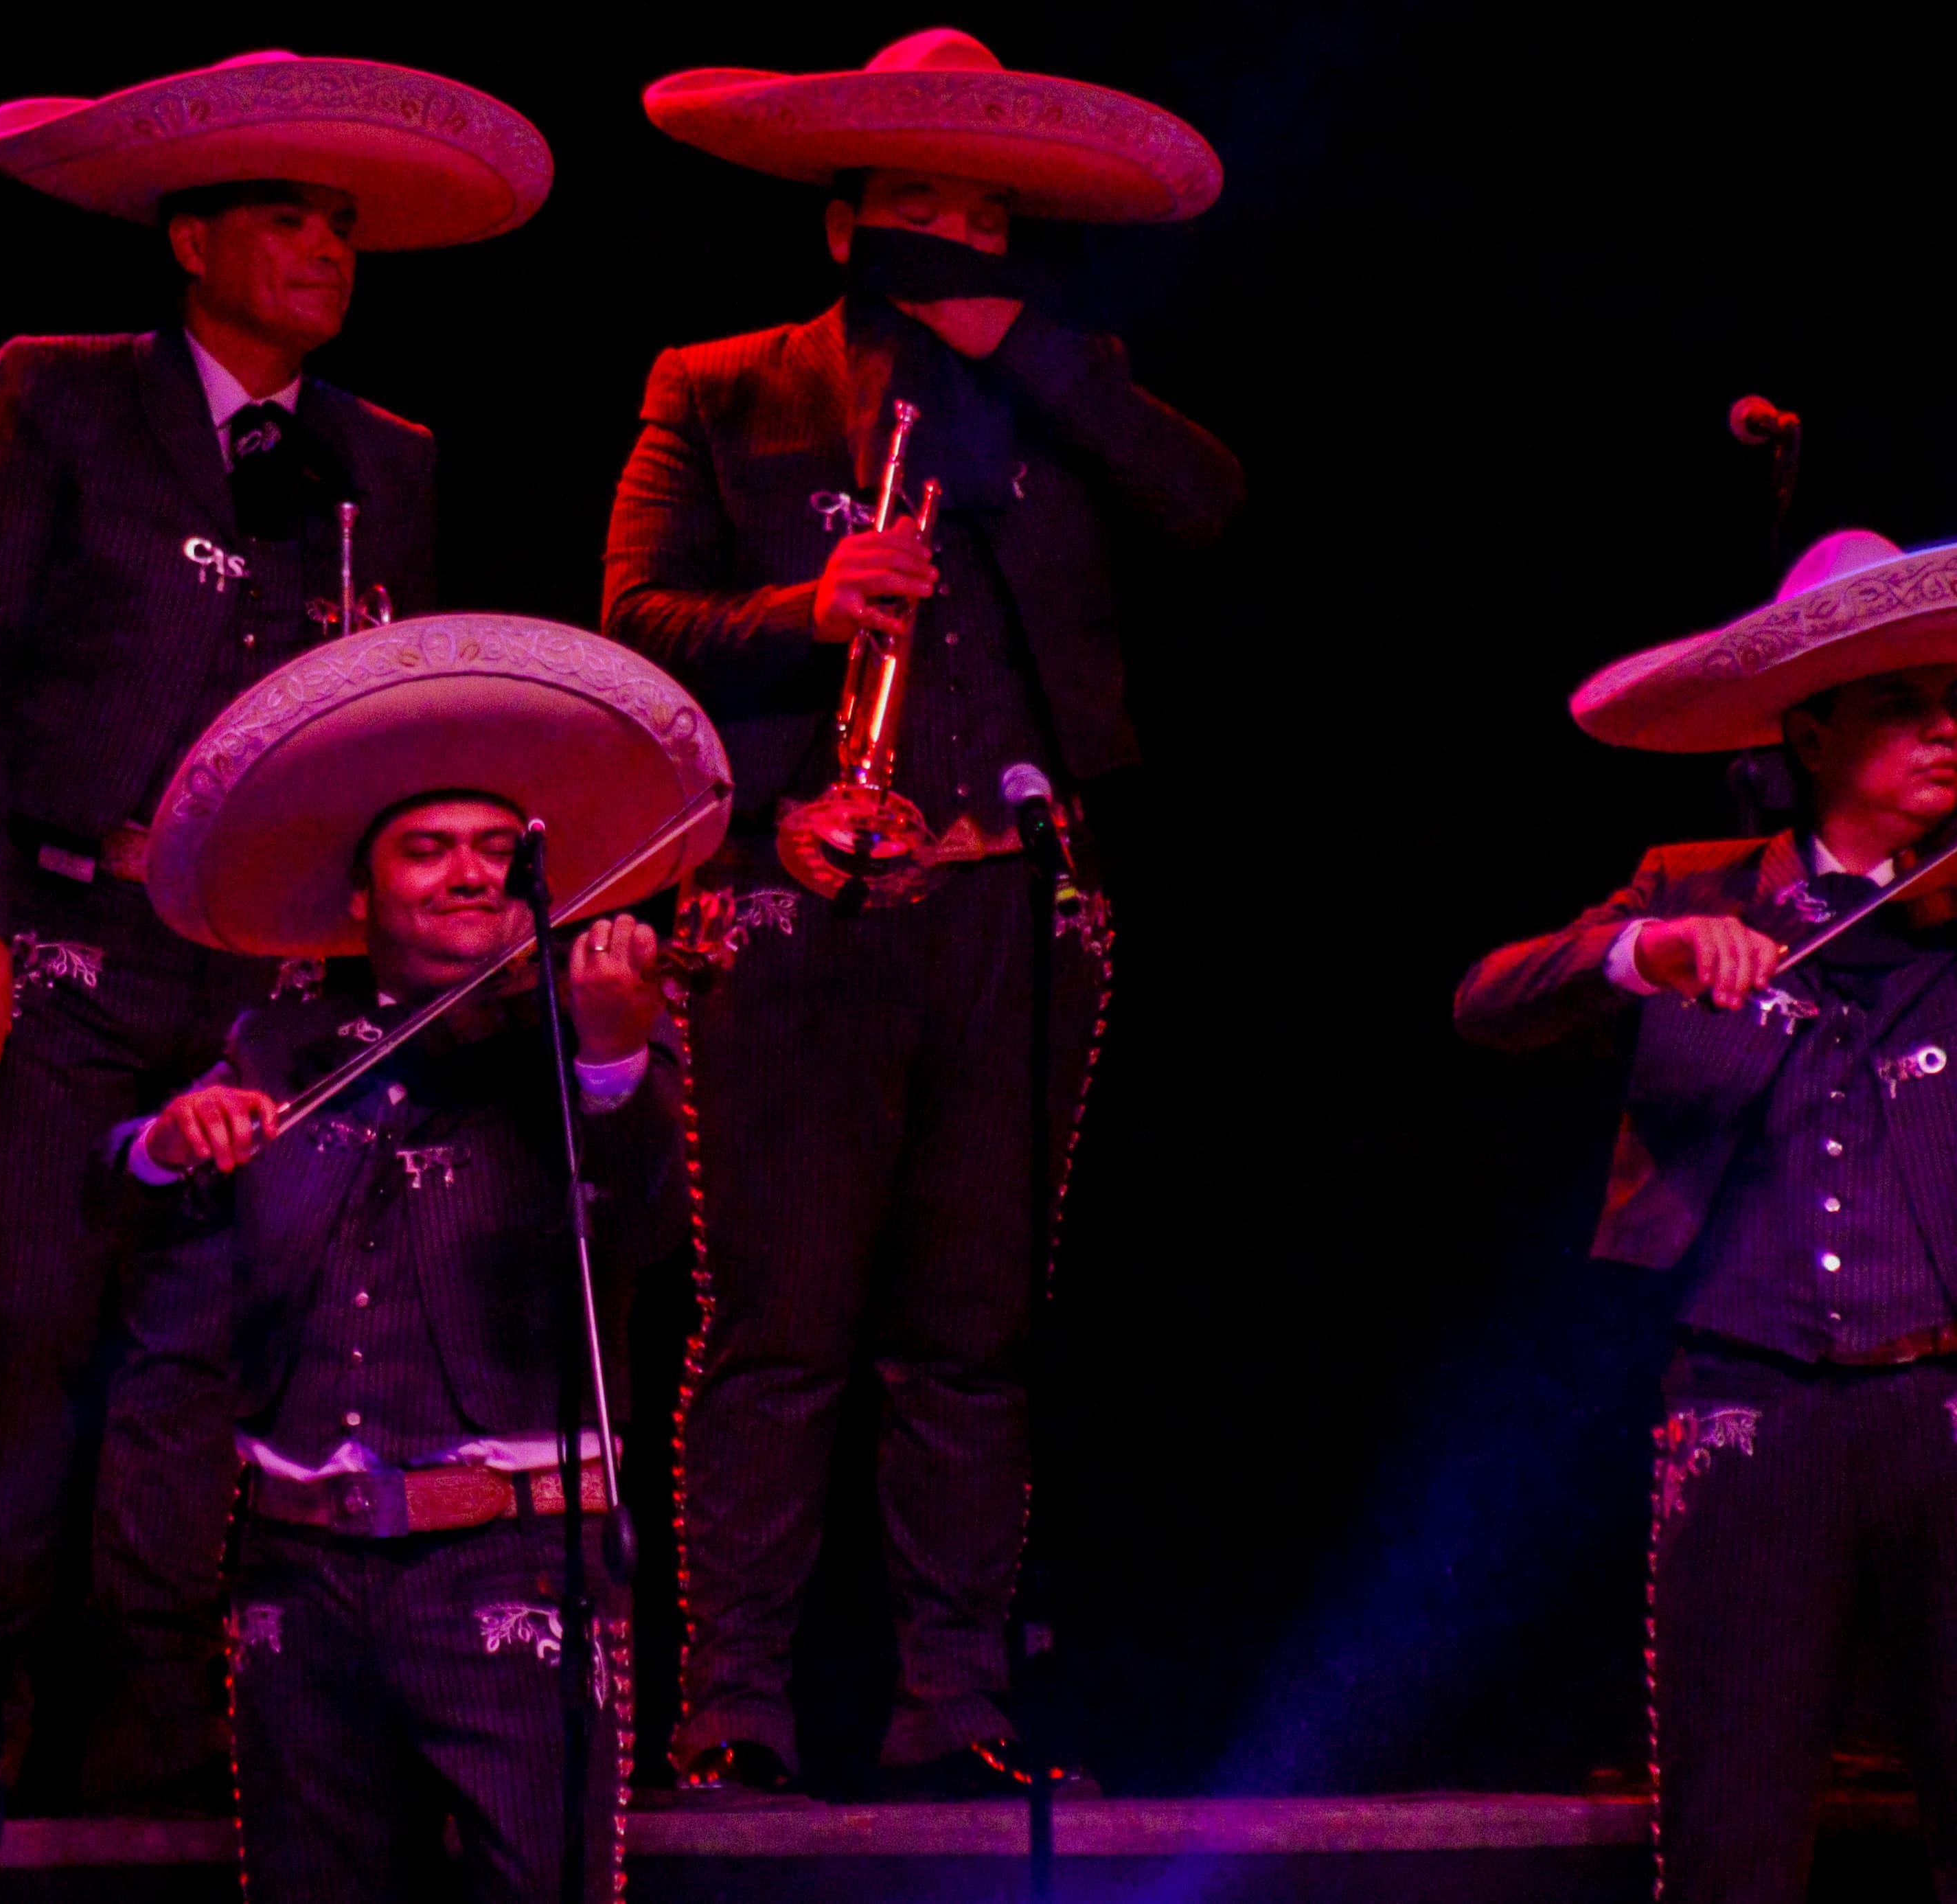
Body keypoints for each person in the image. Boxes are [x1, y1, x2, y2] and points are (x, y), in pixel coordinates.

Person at [0, 47, 552, 1810]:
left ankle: (171, 1735)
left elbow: (387, 713)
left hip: (262, 970)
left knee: (216, 1342)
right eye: (287, 217)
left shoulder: (386, 457)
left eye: (343, 225)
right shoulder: (56, 397)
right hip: (69, 938)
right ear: (192, 237)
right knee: (41, 1319)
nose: (326, 251)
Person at [602, 29, 1244, 1795]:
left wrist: (1031, 352)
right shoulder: (723, 384)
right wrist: (803, 609)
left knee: (971, 1334)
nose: (952, 235)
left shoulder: (1070, 381)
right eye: (914, 206)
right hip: (799, 903)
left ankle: (951, 1707)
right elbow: (632, 627)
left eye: (982, 211)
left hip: (1010, 913)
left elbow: (1208, 505)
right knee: (778, 1325)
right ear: (841, 223)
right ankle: (727, 1708)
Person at [112, 613, 726, 1899]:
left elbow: (652, 1230)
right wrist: (170, 1140)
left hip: (508, 1566)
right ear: (358, 891)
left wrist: (612, 1052)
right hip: (298, 1570)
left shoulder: (579, 1042)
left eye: (500, 855)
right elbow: (123, 1188)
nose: (468, 875)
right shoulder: (282, 1045)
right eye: (429, 850)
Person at [1458, 529, 1957, 1904]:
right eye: (1899, 706)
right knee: (1729, 1829)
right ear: (1809, 729)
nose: (1943, 730)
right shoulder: (1692, 883)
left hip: (1949, 1400)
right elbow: (1489, 999)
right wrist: (1642, 956)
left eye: (1952, 702)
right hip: (1745, 1405)